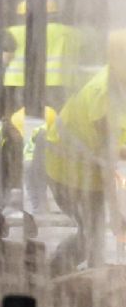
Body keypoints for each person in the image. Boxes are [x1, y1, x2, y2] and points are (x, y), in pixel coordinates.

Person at [43, 30, 126, 275]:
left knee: (95, 234)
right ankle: (55, 276)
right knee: (92, 233)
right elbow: (107, 162)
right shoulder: (104, 97)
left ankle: (94, 280)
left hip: (88, 164)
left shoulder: (119, 80)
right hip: (67, 170)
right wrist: (117, 216)